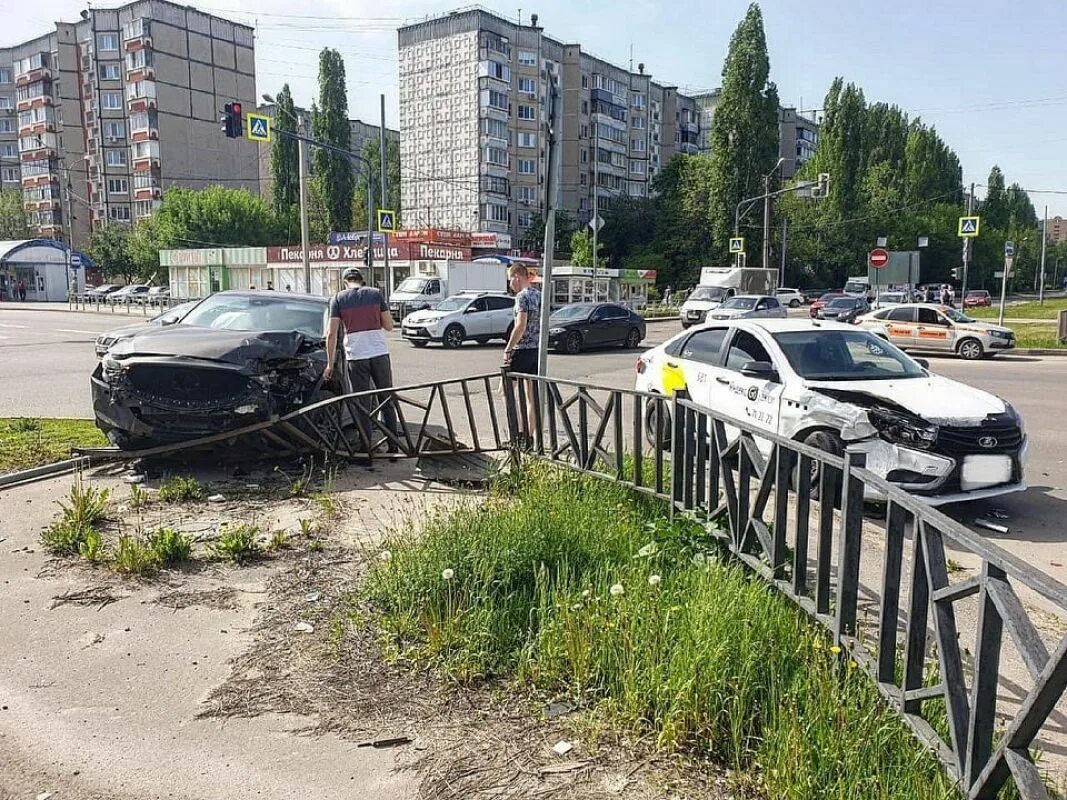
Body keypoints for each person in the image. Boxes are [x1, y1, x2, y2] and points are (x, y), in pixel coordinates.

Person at [324, 267, 398, 452]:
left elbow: (331, 334)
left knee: (361, 402)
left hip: (356, 357)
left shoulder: (339, 299)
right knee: (386, 398)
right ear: (361, 280)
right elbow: (389, 325)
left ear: (345, 282)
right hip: (380, 355)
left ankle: (366, 447)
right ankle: (394, 445)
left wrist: (330, 364)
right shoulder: (375, 294)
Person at [502, 263, 540, 445]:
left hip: (521, 350)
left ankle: (516, 434)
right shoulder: (538, 295)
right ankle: (529, 436)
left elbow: (520, 325)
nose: (510, 285)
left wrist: (509, 348)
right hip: (536, 351)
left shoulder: (521, 297)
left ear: (517, 277)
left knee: (505, 391)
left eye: (510, 280)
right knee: (532, 396)